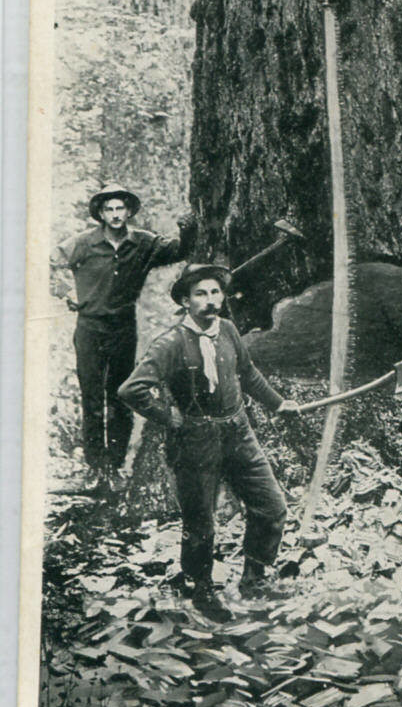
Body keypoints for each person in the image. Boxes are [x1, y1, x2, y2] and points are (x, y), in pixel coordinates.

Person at [118, 263, 299, 622]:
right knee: (200, 523)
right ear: (185, 300)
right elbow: (131, 389)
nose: (210, 300)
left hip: (238, 431)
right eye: (200, 293)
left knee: (272, 506)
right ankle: (201, 589)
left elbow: (247, 373)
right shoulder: (170, 343)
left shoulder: (228, 330)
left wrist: (279, 403)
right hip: (195, 441)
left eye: (215, 292)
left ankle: (254, 577)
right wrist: (169, 417)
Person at [50, 183, 197, 492]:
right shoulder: (84, 243)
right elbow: (50, 263)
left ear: (129, 211)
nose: (115, 215)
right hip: (89, 327)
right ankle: (95, 470)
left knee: (120, 395)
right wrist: (66, 292)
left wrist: (188, 230)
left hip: (122, 327)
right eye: (109, 209)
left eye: (120, 208)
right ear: (101, 214)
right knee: (91, 397)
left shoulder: (142, 243)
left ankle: (115, 468)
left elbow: (178, 250)